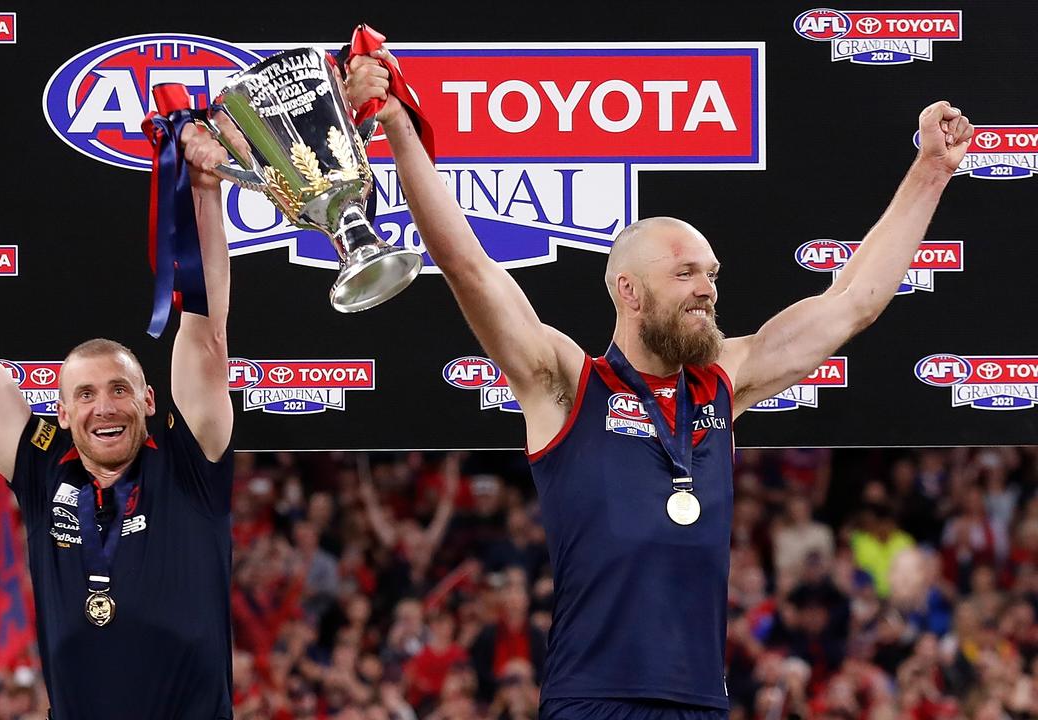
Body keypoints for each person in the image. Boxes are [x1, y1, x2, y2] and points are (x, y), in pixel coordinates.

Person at [346, 47, 973, 719]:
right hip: (593, 700)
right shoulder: (565, 384)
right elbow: (469, 266)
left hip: (702, 701)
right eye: (685, 274)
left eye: (711, 273)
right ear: (629, 291)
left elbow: (855, 301)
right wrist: (400, 129)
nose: (707, 288)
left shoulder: (725, 380)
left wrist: (932, 169)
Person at [0, 120, 241, 719]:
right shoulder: (41, 465)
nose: (103, 406)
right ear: (60, 411)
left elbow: (205, 336)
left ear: (147, 401)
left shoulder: (190, 461)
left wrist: (204, 196)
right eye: (84, 395)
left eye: (119, 389)